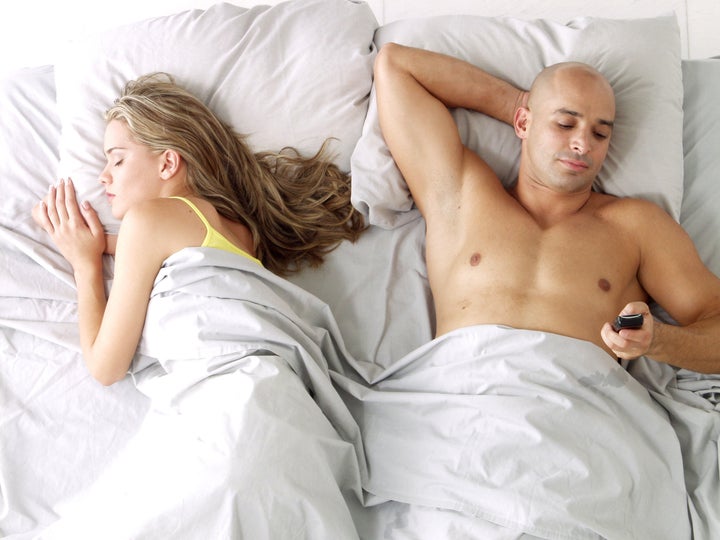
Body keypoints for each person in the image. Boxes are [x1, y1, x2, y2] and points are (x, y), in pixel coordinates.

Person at [374, 42, 720, 373]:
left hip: (573, 408)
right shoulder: (463, 194)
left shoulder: (635, 226)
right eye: (565, 124)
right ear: (524, 124)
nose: (583, 144)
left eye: (600, 134)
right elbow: (396, 65)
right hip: (461, 397)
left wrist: (658, 341)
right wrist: (517, 106)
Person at [32, 72, 365, 386]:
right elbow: (154, 250)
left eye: (117, 160)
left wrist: (84, 264)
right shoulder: (239, 229)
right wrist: (100, 243)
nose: (103, 176)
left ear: (167, 163)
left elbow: (106, 368)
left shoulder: (147, 220)